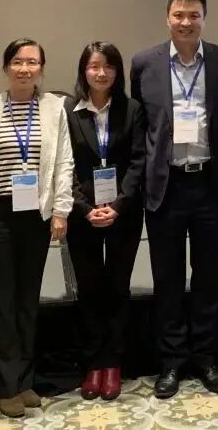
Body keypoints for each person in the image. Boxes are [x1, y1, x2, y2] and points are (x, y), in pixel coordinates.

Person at [130, 0, 218, 399]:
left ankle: (206, 358)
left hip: (210, 185)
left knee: (210, 278)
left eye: (194, 15)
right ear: (168, 17)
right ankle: (172, 361)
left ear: (204, 19)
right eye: (179, 14)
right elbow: (142, 127)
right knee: (168, 279)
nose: (186, 22)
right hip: (166, 186)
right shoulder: (144, 63)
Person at [0, 39, 73, 418]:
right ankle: (5, 384)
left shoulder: (55, 108)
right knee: (2, 300)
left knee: (28, 299)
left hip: (36, 215)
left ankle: (24, 379)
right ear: (6, 67)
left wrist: (60, 210)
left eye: (32, 62)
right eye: (17, 61)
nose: (24, 69)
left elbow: (64, 162)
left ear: (41, 68)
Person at [64, 42, 146, 402]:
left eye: (108, 66)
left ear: (117, 71)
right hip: (82, 215)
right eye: (94, 66)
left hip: (123, 214)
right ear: (84, 71)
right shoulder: (69, 112)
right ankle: (93, 363)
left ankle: (112, 363)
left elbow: (139, 161)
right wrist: (84, 208)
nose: (101, 73)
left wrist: (119, 204)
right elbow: (63, 165)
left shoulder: (132, 110)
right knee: (89, 289)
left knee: (117, 287)